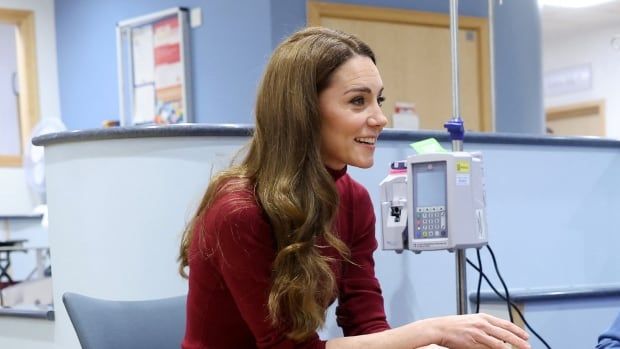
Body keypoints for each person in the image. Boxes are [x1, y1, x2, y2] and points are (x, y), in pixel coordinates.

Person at [178, 26, 530, 349]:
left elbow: (366, 323)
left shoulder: (352, 199)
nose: (380, 118)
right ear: (304, 111)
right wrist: (429, 331)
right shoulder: (239, 212)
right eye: (358, 101)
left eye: (379, 99)